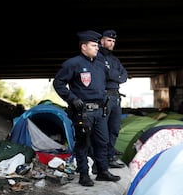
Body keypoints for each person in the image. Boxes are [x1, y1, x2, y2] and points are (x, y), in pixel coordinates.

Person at [53, 30, 120, 186]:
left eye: (97, 45)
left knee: (103, 141)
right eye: (93, 45)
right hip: (83, 111)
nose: (97, 48)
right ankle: (84, 175)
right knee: (83, 143)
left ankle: (102, 171)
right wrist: (72, 99)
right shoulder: (72, 64)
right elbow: (58, 83)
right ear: (84, 47)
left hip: (100, 111)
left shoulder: (100, 65)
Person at [97, 29, 128, 169]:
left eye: (113, 41)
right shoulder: (96, 57)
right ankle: (99, 160)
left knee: (114, 129)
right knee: (102, 131)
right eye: (109, 40)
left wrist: (112, 74)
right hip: (104, 97)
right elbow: (105, 75)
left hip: (116, 97)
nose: (111, 43)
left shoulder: (114, 60)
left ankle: (109, 158)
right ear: (102, 41)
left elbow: (124, 76)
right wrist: (115, 75)